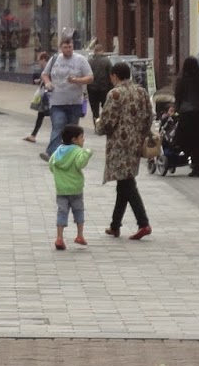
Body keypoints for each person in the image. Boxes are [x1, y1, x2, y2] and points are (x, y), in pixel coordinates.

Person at [97, 62, 152, 240]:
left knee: (127, 183)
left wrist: (99, 127)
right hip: (135, 143)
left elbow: (108, 120)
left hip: (119, 146)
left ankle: (143, 223)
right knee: (124, 182)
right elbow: (149, 116)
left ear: (114, 76)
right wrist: (142, 134)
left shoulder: (115, 94)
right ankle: (115, 225)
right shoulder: (141, 92)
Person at [41, 35, 93, 158]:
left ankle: (71, 154)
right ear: (60, 48)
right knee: (58, 126)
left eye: (70, 47)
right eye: (65, 47)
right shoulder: (54, 59)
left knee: (72, 130)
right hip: (57, 101)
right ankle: (52, 153)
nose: (68, 50)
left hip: (74, 102)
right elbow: (45, 74)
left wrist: (77, 80)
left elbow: (90, 77)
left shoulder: (80, 60)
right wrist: (48, 83)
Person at [49, 123, 92, 250]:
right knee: (78, 211)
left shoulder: (58, 151)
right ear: (74, 140)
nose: (83, 140)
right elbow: (80, 164)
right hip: (75, 189)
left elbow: (51, 165)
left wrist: (59, 176)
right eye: (81, 137)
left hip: (61, 189)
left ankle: (59, 238)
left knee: (62, 212)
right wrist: (87, 153)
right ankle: (79, 235)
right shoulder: (78, 151)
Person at [172, 57, 199, 177]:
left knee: (185, 139)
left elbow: (178, 97)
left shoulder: (182, 80)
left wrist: (177, 109)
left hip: (188, 114)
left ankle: (193, 162)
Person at [23, 49, 51, 143]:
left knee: (52, 116)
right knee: (41, 114)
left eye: (39, 60)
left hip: (49, 96)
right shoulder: (47, 68)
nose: (38, 62)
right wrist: (40, 81)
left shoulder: (49, 67)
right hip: (46, 96)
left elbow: (50, 79)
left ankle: (34, 135)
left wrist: (42, 81)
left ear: (43, 59)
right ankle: (33, 135)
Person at [86, 42, 113, 123]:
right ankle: (104, 123)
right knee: (105, 107)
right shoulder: (107, 61)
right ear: (102, 51)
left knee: (95, 109)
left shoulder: (89, 61)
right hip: (105, 88)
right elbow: (111, 74)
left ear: (94, 51)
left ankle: (96, 124)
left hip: (92, 88)